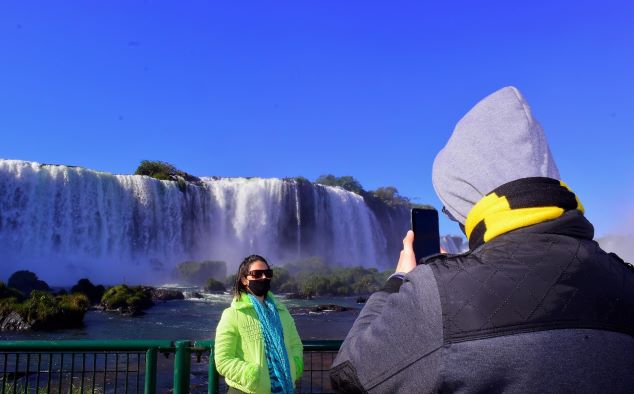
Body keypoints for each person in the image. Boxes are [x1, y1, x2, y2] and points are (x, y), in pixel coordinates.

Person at [329, 86, 634, 393]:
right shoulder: (625, 279)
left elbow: (348, 375)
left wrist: (400, 280)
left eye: (455, 211)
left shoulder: (437, 296)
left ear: (473, 202)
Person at [215, 255, 303, 394]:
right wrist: (252, 376)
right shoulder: (232, 314)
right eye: (257, 274)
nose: (263, 277)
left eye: (268, 274)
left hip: (286, 388)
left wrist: (295, 367)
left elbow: (296, 345)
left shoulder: (282, 312)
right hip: (247, 391)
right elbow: (222, 360)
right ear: (244, 280)